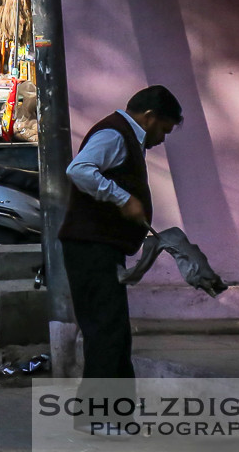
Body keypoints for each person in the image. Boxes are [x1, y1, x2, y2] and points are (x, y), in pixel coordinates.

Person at [59, 84, 183, 378]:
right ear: (150, 116)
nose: (161, 139)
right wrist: (123, 198)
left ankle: (114, 415)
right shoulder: (114, 134)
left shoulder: (124, 136)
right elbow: (79, 170)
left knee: (113, 331)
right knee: (106, 331)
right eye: (163, 130)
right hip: (91, 247)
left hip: (102, 247)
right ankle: (100, 416)